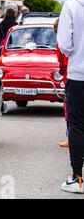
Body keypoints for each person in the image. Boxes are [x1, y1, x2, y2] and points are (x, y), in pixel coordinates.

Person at [57, 0, 84, 194]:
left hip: (79, 74)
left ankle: (77, 177)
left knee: (76, 125)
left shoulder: (71, 5)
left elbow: (65, 45)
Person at [54, 19, 69, 149]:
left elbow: (62, 62)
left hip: (71, 77)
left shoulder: (62, 42)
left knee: (69, 110)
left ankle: (71, 138)